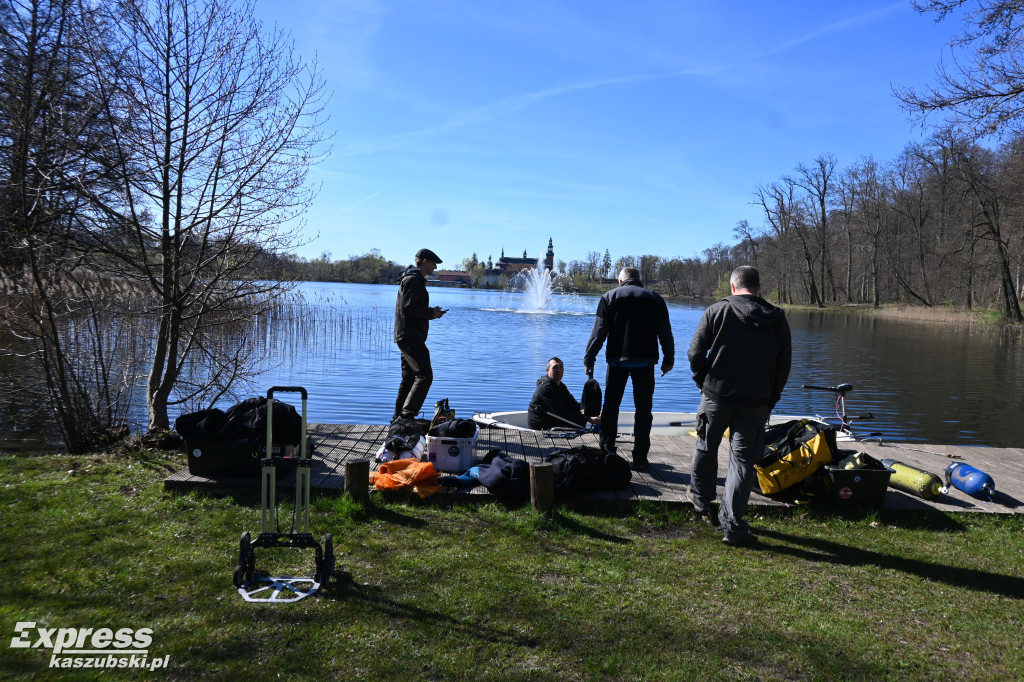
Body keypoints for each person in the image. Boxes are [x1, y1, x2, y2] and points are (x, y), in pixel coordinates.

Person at [687, 265, 791, 546]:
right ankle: (732, 525)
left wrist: (702, 380)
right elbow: (784, 365)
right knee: (742, 463)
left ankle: (701, 501)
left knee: (706, 447)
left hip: (716, 396)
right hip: (756, 401)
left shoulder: (717, 311)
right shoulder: (777, 318)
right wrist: (772, 397)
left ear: (733, 287)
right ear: (758, 287)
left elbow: (695, 352)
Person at [583, 267, 674, 471]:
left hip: (617, 361)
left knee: (611, 407)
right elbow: (665, 332)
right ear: (638, 279)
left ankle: (607, 452)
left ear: (620, 280)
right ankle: (640, 458)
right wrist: (669, 358)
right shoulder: (656, 299)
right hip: (645, 362)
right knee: (643, 410)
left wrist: (589, 357)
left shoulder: (609, 297)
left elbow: (599, 332)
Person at [393, 248, 447, 422]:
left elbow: (411, 308)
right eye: (433, 263)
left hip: (407, 334)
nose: (435, 267)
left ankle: (398, 418)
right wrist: (431, 313)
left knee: (409, 377)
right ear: (424, 261)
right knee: (425, 375)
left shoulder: (413, 279)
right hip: (410, 336)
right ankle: (407, 416)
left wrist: (432, 313)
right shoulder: (413, 280)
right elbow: (408, 308)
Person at [527, 357, 599, 430]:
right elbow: (561, 414)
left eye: (561, 367)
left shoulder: (560, 386)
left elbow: (574, 405)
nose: (559, 370)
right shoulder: (545, 389)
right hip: (541, 427)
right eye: (555, 367)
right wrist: (587, 418)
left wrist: (587, 412)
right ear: (547, 370)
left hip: (554, 421)